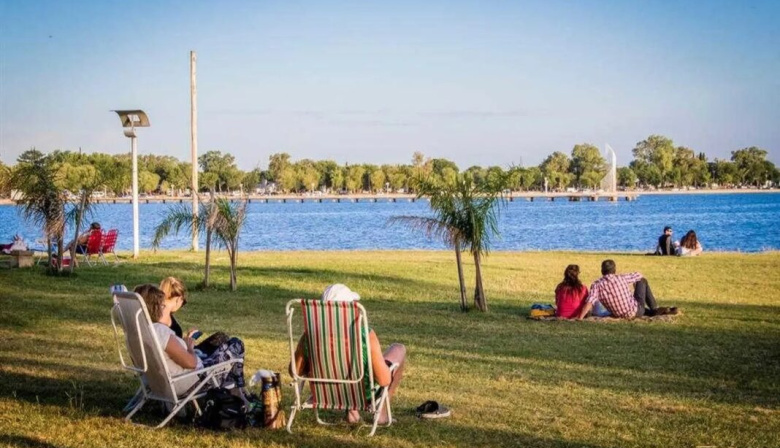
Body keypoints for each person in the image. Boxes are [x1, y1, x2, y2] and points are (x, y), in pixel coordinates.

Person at [290, 284, 406, 425]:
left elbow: (294, 372)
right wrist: (388, 368)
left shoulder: (310, 336)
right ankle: (382, 414)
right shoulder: (364, 335)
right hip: (362, 393)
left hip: (326, 393)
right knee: (398, 349)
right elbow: (384, 381)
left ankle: (352, 413)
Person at [134, 284, 248, 400]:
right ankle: (239, 393)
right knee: (236, 344)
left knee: (221, 337)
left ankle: (234, 393)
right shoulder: (160, 332)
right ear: (154, 307)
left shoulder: (138, 330)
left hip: (158, 382)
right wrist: (189, 347)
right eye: (163, 305)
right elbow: (191, 364)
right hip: (192, 381)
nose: (164, 309)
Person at [577, 260, 677, 320]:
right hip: (636, 310)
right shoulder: (621, 278)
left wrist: (580, 318)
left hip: (619, 314)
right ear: (614, 270)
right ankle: (655, 308)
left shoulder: (597, 285)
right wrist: (634, 287)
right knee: (642, 281)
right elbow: (639, 275)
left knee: (641, 309)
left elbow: (590, 302)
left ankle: (653, 311)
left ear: (602, 271)